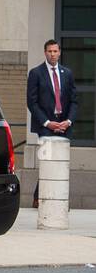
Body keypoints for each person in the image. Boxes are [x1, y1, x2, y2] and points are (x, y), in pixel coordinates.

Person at [27, 38, 78, 207]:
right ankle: (41, 198)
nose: (53, 54)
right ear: (45, 53)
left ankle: (58, 199)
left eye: (55, 51)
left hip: (64, 126)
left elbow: (73, 101)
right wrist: (47, 123)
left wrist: (68, 121)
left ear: (59, 52)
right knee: (47, 161)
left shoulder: (67, 73)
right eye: (50, 51)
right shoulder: (36, 73)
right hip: (46, 127)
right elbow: (32, 102)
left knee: (61, 163)